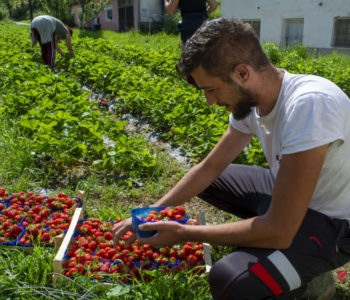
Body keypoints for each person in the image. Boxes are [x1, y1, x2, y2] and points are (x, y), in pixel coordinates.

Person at [112, 17, 350, 299]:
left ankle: (312, 282)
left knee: (230, 281)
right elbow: (210, 167)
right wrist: (152, 213)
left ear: (242, 73)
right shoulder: (253, 101)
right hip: (290, 197)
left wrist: (184, 233)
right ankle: (272, 245)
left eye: (210, 89)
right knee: (210, 180)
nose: (209, 101)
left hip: (334, 224)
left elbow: (280, 230)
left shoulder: (309, 105)